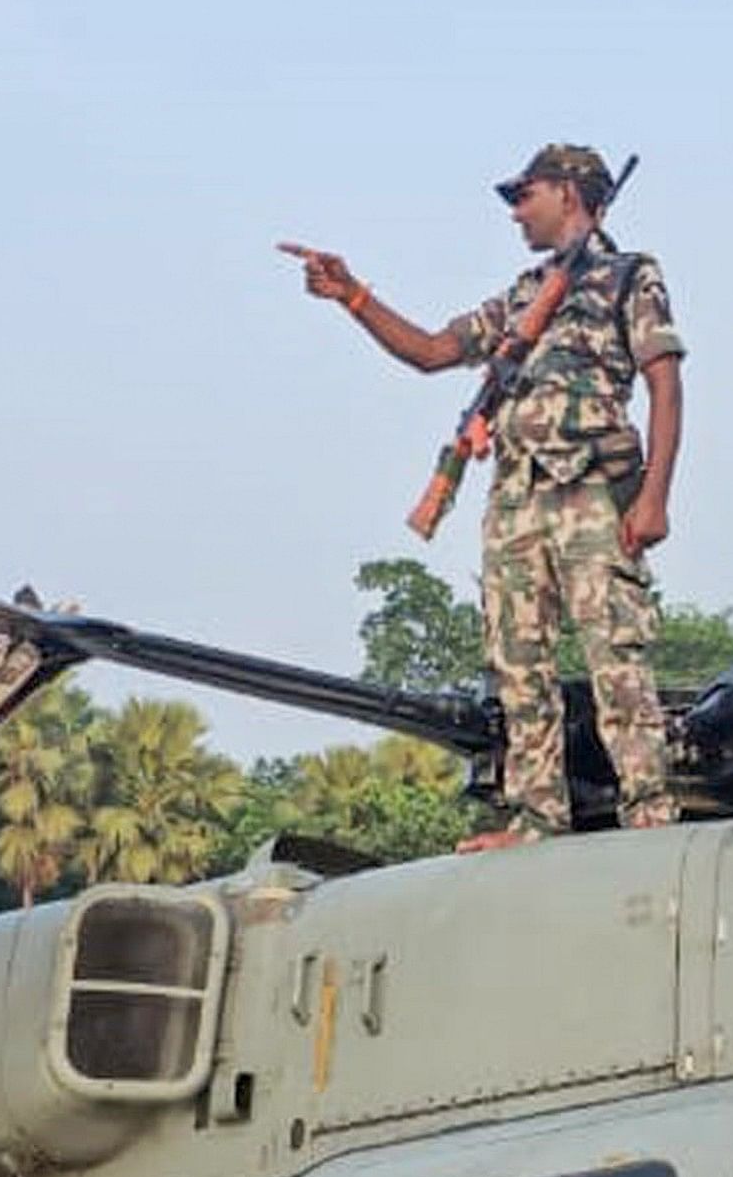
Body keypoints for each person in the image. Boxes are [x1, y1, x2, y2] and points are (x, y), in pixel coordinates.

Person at [283, 143, 686, 844]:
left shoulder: (627, 275)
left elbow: (664, 381)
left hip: (589, 487)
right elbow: (433, 350)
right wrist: (353, 296)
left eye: (523, 195)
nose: (514, 212)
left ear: (568, 192)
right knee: (517, 667)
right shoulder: (525, 295)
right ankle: (534, 816)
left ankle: (649, 815)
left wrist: (654, 497)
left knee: (614, 658)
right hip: (515, 497)